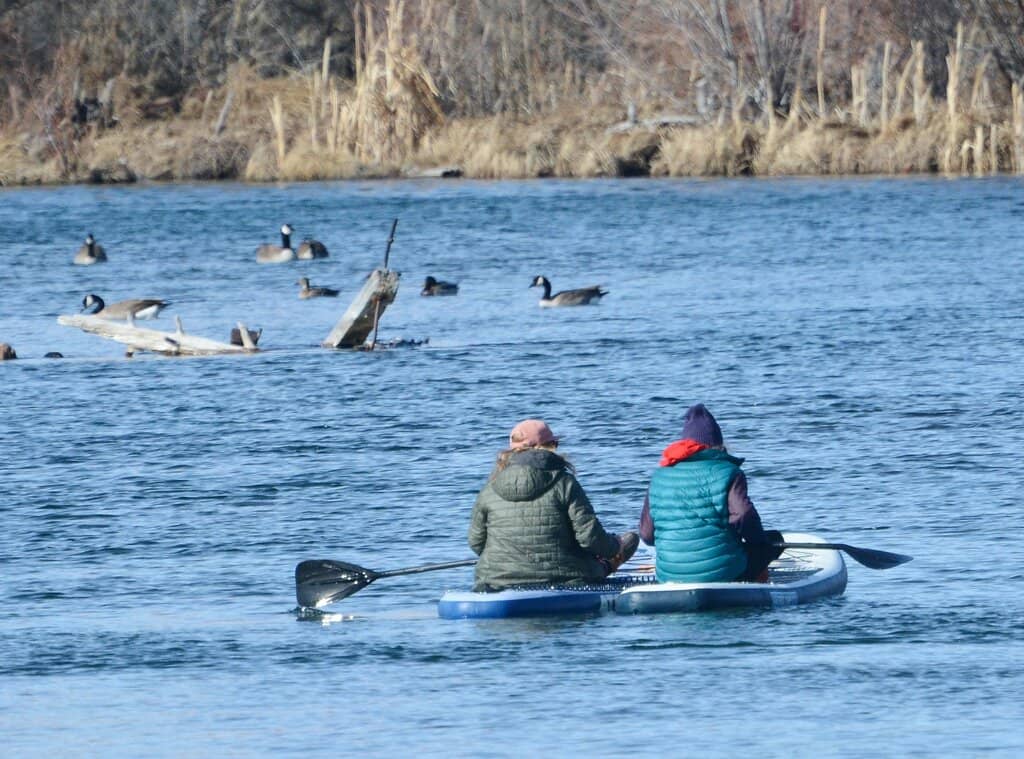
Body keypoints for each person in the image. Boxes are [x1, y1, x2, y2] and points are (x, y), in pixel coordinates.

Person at [469, 419, 639, 592]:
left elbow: (476, 543)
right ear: (547, 447)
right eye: (554, 444)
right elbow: (590, 539)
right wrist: (615, 547)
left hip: (496, 580)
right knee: (629, 541)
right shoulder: (565, 483)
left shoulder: (489, 488)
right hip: (566, 578)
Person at [638, 404, 783, 583]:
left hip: (668, 575)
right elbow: (744, 515)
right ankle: (757, 586)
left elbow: (646, 535)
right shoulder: (729, 472)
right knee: (773, 540)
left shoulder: (658, 476)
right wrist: (759, 542)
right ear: (717, 444)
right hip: (723, 573)